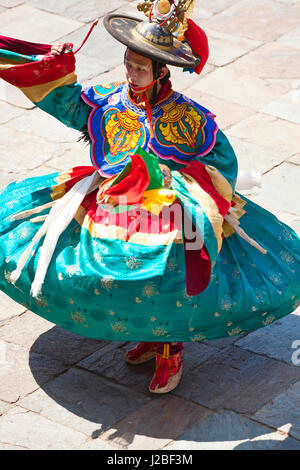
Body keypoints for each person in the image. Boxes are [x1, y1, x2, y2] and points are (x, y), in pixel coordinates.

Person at [0, 0, 299, 394]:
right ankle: (149, 335)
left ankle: (168, 350)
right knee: (104, 272)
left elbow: (222, 163)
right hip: (111, 201)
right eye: (128, 63)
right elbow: (69, 103)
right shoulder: (108, 99)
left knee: (166, 274)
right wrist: (51, 64)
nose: (132, 73)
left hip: (169, 210)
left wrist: (179, 185)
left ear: (162, 72)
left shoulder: (191, 119)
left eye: (141, 68)